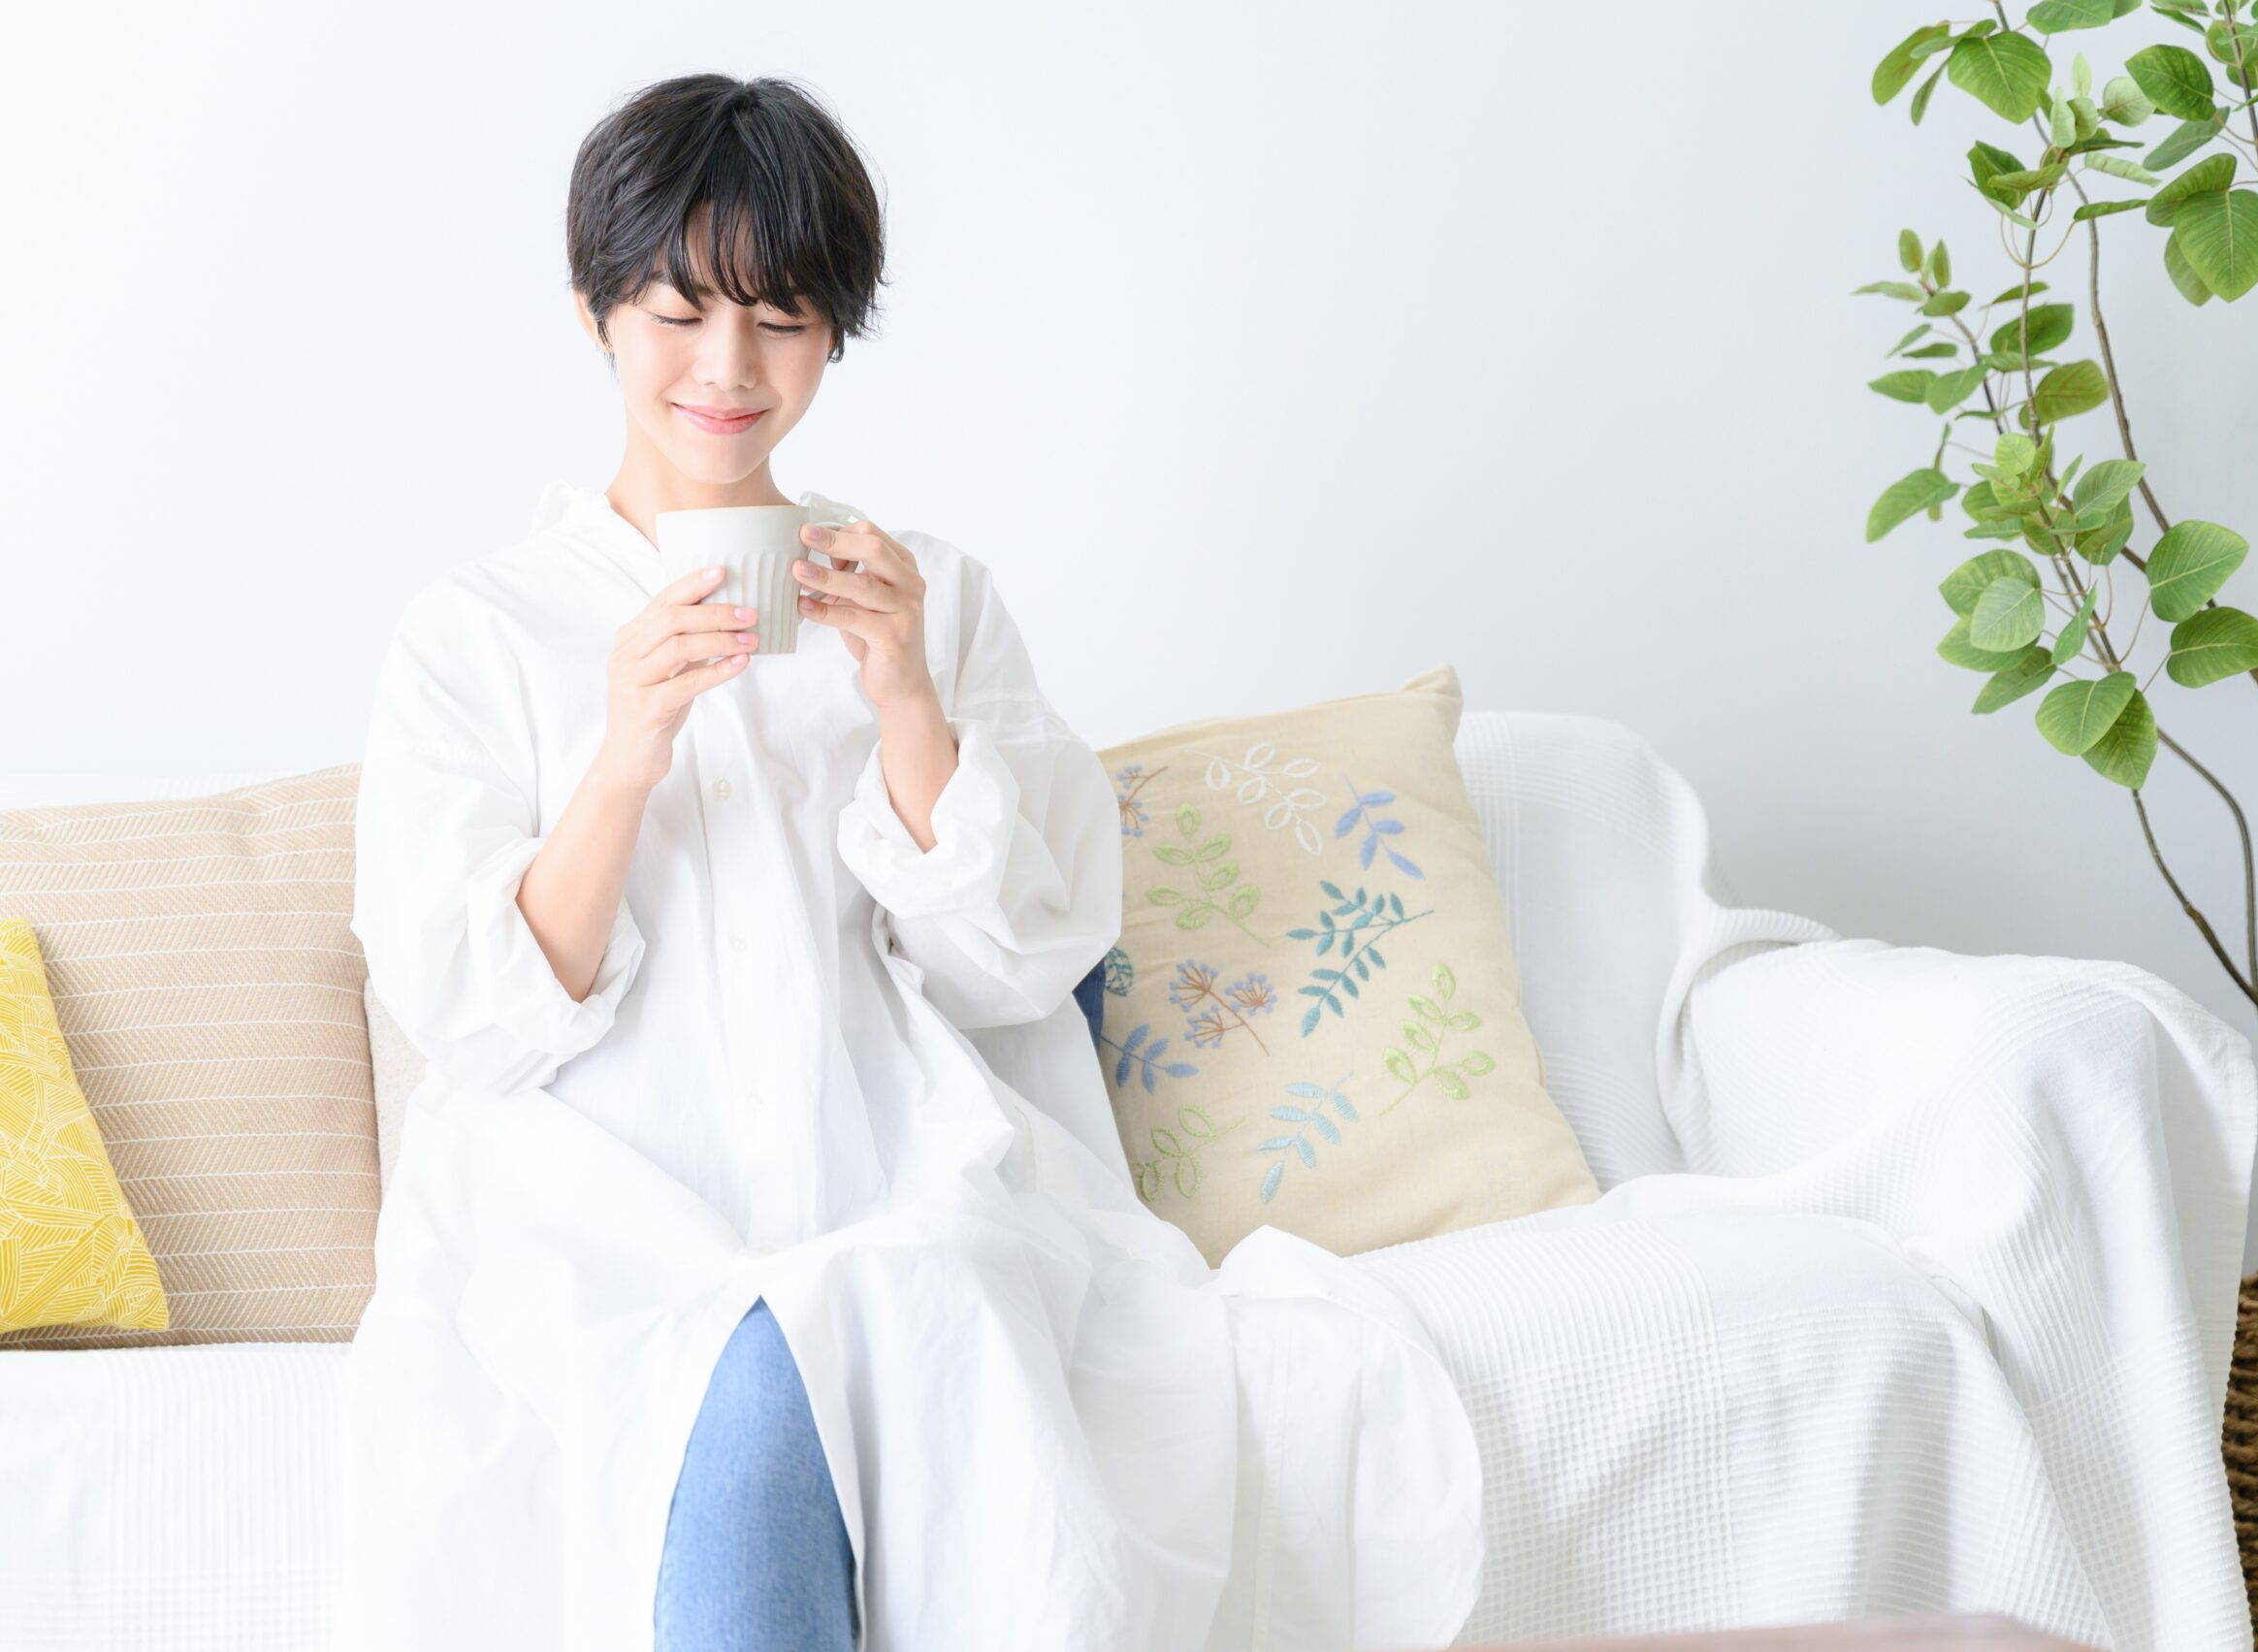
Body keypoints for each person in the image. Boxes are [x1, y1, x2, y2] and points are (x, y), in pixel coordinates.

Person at [337, 73, 1482, 1652]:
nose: (728, 370)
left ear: (834, 334)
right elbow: (472, 1013)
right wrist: (625, 752)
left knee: (891, 1309)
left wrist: (908, 702)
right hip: (594, 1200)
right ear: (597, 312)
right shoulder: (481, 631)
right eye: (679, 313)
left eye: (782, 320)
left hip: (894, 1167)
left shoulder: (920, 589)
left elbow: (1023, 958)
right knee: (740, 1360)